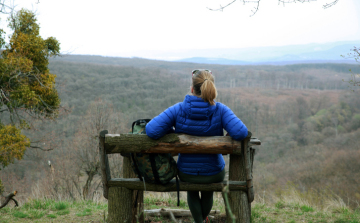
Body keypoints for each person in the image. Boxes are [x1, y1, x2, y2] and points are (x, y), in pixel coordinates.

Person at [146, 69, 248, 223]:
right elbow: (241, 132)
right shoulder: (220, 110)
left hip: (186, 172)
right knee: (208, 192)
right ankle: (202, 221)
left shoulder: (178, 109)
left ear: (192, 89)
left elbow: (151, 130)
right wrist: (228, 136)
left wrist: (172, 132)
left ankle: (199, 221)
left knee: (192, 192)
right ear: (211, 87)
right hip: (214, 171)